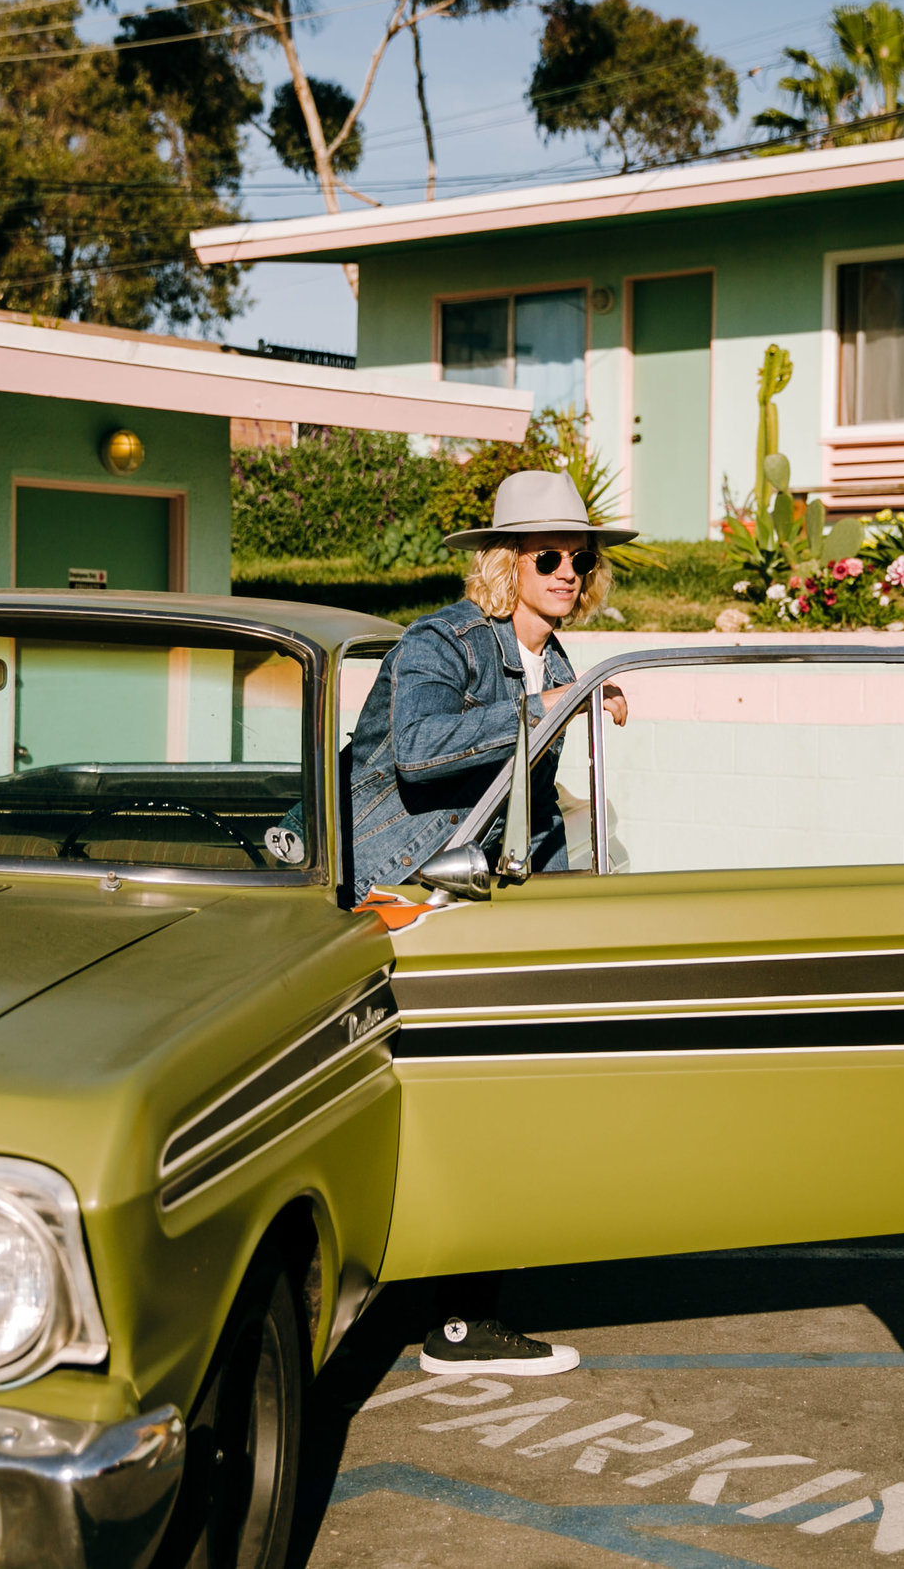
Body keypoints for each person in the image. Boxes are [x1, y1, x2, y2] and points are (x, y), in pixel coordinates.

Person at [343, 468, 633, 1376]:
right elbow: (423, 754)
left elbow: (528, 793)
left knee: (498, 1089)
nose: (569, 574)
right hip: (408, 889)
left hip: (481, 889)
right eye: (550, 557)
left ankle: (463, 1309)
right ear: (505, 563)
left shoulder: (551, 654)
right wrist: (549, 707)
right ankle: (459, 1321)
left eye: (580, 560)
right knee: (460, 1094)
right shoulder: (445, 640)